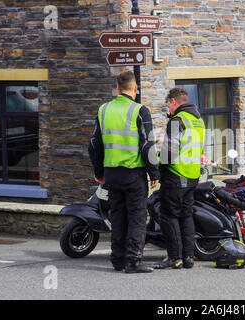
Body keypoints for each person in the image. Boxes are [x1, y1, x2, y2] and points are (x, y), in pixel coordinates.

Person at [88, 71, 160, 273]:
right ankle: (133, 262)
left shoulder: (103, 110)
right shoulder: (140, 110)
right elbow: (147, 146)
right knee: (137, 217)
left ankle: (117, 260)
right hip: (133, 174)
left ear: (117, 89)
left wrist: (99, 171)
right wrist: (154, 173)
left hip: (111, 174)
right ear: (135, 89)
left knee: (117, 217)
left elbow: (94, 144)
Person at [153, 88, 205, 269]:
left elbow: (169, 153)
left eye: (168, 104)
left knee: (168, 216)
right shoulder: (198, 121)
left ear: (174, 102)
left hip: (176, 175)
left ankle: (174, 257)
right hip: (192, 176)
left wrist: (158, 171)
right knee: (186, 215)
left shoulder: (177, 120)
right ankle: (188, 258)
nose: (168, 108)